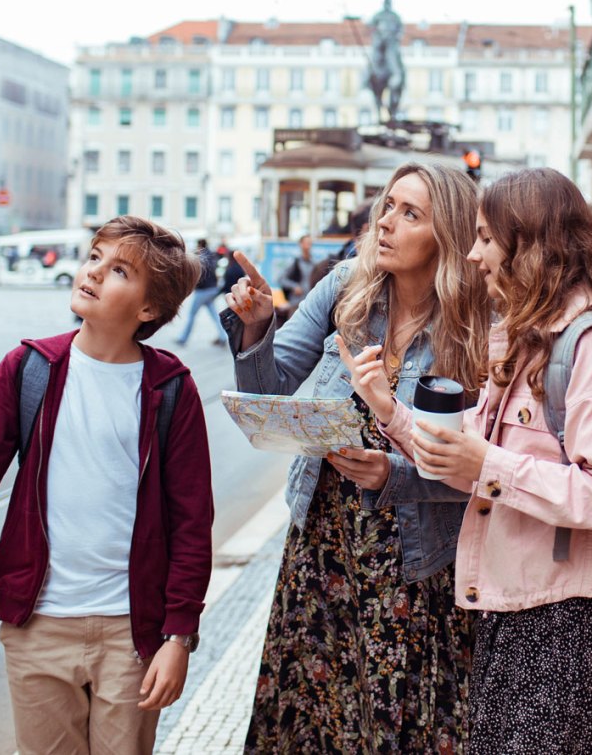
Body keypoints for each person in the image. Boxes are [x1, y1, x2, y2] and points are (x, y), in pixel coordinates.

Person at [340, 168, 592, 754]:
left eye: (486, 238)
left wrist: (489, 465)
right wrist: (389, 411)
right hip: (513, 608)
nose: (473, 252)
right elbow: (468, 449)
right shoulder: (527, 340)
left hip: (570, 623)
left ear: (531, 245)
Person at [0, 215, 213, 755]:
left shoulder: (170, 391)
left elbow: (192, 525)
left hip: (131, 632)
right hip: (37, 625)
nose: (92, 271)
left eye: (118, 270)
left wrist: (178, 635)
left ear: (148, 309)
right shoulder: (29, 369)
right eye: (95, 256)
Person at [222, 162, 489, 753]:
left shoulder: (474, 324)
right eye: (388, 206)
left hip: (417, 558)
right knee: (320, 714)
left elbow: (486, 467)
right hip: (325, 542)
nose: (386, 223)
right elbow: (271, 388)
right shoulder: (347, 285)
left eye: (410, 213)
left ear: (445, 232)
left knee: (398, 714)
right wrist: (258, 327)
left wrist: (393, 475)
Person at [175, 238, 227, 346]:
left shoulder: (200, 257)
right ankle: (223, 336)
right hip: (213, 288)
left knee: (192, 315)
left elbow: (198, 275)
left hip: (203, 291)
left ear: (199, 245)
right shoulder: (211, 254)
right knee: (214, 315)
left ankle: (183, 338)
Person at [277, 234, 315, 310]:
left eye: (310, 243)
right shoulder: (294, 262)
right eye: (306, 243)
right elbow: (281, 279)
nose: (308, 246)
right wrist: (294, 286)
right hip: (296, 303)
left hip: (309, 303)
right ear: (300, 244)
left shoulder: (313, 264)